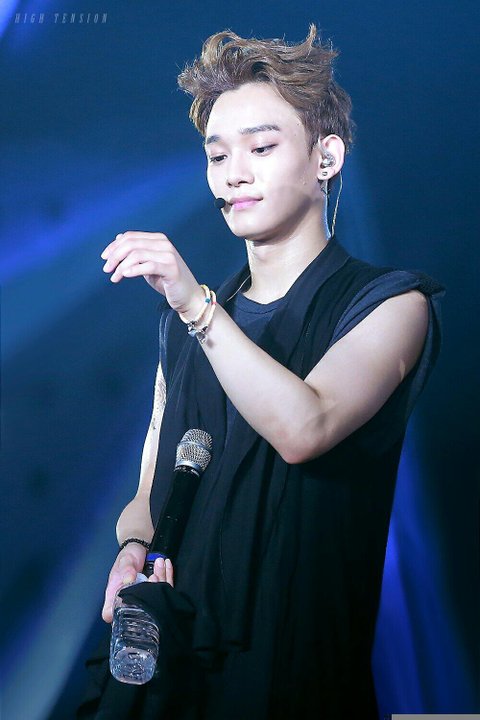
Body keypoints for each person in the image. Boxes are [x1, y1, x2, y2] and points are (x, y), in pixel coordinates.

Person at [79, 24, 444, 720]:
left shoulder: (391, 304)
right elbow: (152, 485)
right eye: (217, 155)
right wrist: (133, 545)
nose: (233, 173)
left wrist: (196, 305)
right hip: (177, 661)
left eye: (262, 148)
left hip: (295, 667)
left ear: (326, 156)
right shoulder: (182, 327)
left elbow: (307, 427)